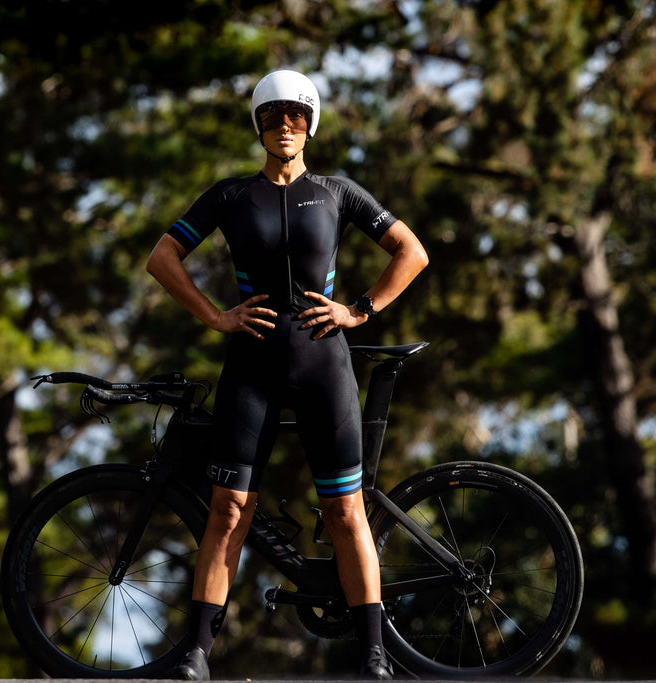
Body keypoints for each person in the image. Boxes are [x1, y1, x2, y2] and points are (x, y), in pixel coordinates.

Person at [146, 69, 428, 680]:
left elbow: (413, 251)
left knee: (346, 512)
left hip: (324, 362)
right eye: (273, 115)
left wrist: (360, 311)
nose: (285, 125)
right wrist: (216, 317)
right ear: (258, 125)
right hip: (251, 364)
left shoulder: (336, 192)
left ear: (312, 124)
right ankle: (195, 655)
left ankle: (375, 655)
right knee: (227, 510)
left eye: (297, 115)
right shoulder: (230, 196)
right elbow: (162, 256)